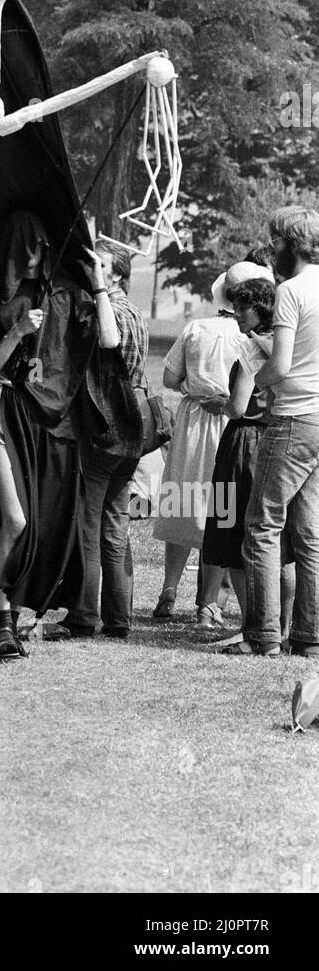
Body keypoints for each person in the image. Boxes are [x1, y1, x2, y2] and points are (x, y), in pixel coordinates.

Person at [0, 211, 121, 660]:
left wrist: (98, 281)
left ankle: (14, 622)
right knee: (17, 521)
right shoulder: (2, 303)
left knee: (43, 526)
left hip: (56, 425)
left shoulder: (71, 295)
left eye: (44, 246)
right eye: (31, 247)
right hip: (8, 415)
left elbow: (111, 340)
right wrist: (19, 330)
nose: (38, 255)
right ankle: (2, 623)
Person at [234, 208, 319, 658]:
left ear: (288, 242)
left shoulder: (290, 290)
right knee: (311, 534)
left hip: (292, 418)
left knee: (262, 526)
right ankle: (309, 638)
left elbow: (280, 365)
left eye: (275, 242)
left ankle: (263, 635)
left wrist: (254, 383)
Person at [198, 276, 295, 641]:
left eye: (242, 308)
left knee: (230, 529)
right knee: (281, 539)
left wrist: (218, 402)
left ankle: (252, 622)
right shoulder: (291, 345)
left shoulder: (250, 351)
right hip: (284, 436)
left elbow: (237, 406)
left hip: (243, 444)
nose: (236, 314)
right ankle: (284, 625)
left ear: (261, 310)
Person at [62, 241, 148, 640]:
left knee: (89, 526)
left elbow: (109, 341)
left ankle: (84, 616)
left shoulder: (111, 309)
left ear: (115, 275)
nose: (89, 267)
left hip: (105, 430)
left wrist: (95, 289)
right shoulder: (136, 311)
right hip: (130, 431)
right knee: (115, 530)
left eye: (99, 264)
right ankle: (118, 620)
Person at [151, 264, 246, 621]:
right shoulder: (248, 336)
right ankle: (207, 601)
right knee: (221, 509)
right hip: (227, 421)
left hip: (193, 419)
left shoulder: (195, 328)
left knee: (182, 499)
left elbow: (170, 378)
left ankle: (169, 589)